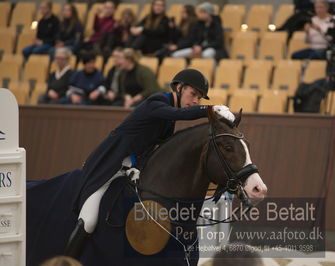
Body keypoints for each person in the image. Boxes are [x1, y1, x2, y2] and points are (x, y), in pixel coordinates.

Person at [64, 68, 236, 258]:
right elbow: (176, 114)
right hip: (107, 167)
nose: (196, 100)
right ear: (179, 88)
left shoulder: (168, 122)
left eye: (200, 98)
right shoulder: (156, 102)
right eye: (193, 94)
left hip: (130, 170)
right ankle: (67, 260)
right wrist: (209, 110)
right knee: (88, 220)